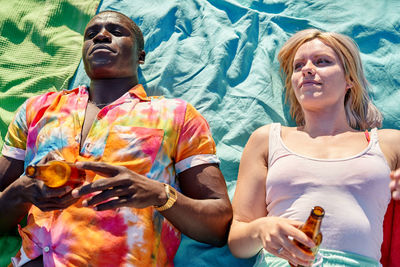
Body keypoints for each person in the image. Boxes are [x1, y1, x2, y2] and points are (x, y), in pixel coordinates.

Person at [0, 10, 232, 266]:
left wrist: (159, 194)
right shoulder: (38, 110)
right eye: (91, 34)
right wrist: (21, 192)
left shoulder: (176, 115)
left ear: (140, 56)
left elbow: (218, 225)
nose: (101, 36)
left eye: (117, 31)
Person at [227, 28, 400, 266]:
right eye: (298, 67)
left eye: (322, 61)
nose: (307, 69)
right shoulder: (267, 139)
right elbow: (237, 241)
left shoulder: (388, 143)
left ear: (349, 79)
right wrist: (261, 229)